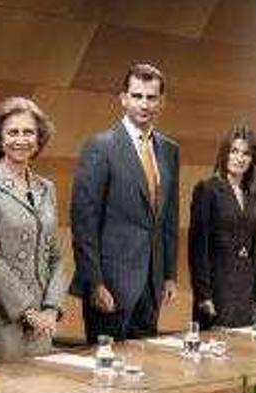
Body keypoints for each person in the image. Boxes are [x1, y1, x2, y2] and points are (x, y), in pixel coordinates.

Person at [70, 63, 179, 342]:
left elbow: (168, 218)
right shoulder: (100, 147)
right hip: (110, 287)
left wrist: (168, 275)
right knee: (109, 377)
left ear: (161, 102)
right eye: (137, 96)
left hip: (151, 286)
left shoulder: (169, 150)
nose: (144, 104)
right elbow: (84, 225)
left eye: (151, 97)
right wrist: (93, 283)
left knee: (144, 373)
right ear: (124, 98)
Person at [0, 97, 66, 362]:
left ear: (39, 138)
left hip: (42, 321)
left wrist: (51, 309)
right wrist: (28, 311)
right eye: (13, 132)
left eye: (28, 132)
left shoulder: (47, 188)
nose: (21, 139)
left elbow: (56, 256)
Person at [188, 125, 256, 329]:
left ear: (253, 160)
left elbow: (253, 250)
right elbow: (198, 249)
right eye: (234, 151)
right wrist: (203, 295)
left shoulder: (253, 194)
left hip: (245, 289)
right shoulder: (207, 189)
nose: (239, 158)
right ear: (224, 153)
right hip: (217, 288)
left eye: (246, 153)